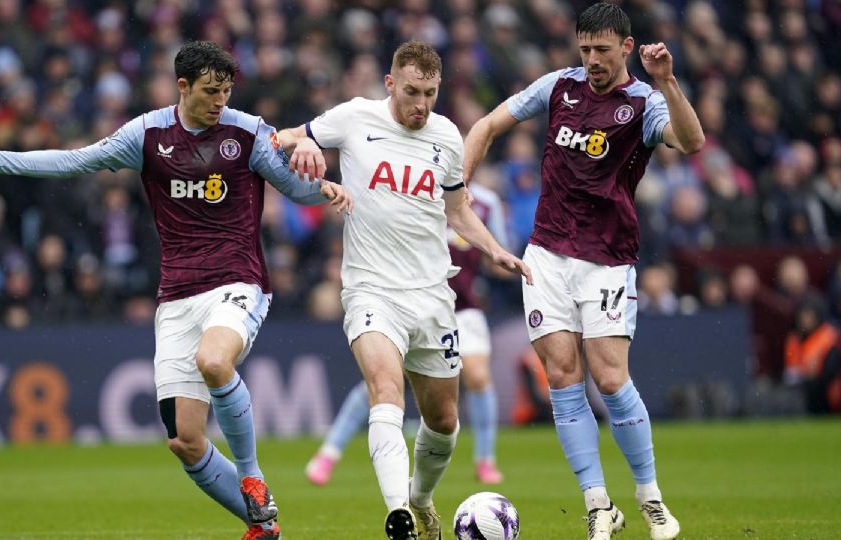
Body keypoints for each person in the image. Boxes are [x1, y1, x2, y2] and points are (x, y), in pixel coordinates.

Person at [0, 41, 352, 540]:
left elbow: (296, 189)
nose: (220, 101)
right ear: (183, 87)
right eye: (211, 91)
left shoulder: (247, 132)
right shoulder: (149, 134)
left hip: (237, 280)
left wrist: (321, 180)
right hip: (176, 296)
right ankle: (263, 525)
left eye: (226, 90)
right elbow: (77, 161)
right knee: (186, 442)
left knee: (215, 362)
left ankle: (253, 477)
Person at [462, 4, 703, 540]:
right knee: (563, 378)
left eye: (602, 50)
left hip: (608, 259)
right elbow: (486, 124)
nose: (592, 60)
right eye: (585, 49)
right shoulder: (557, 86)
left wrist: (668, 83)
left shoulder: (644, 102)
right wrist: (456, 193)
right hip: (546, 254)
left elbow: (691, 142)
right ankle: (598, 505)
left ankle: (650, 497)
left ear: (625, 46)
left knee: (612, 378)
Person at [279, 40, 531, 540]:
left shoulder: (446, 137)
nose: (421, 104)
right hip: (371, 289)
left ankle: (419, 499)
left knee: (443, 421)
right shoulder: (355, 117)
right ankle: (398, 513)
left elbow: (458, 213)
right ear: (390, 84)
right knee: (386, 390)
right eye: (412, 92)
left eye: (431, 94)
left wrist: (493, 249)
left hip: (434, 296)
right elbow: (282, 137)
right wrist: (303, 141)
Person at [304, 181, 512, 487]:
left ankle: (485, 460)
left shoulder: (485, 202)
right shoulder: (414, 188)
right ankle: (329, 452)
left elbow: (495, 252)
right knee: (383, 381)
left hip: (463, 307)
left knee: (478, 377)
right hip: (411, 302)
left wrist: (503, 261)